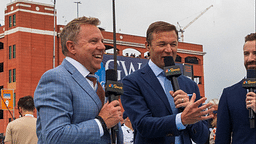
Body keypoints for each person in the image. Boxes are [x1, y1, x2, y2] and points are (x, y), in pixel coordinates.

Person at [121, 21, 214, 144]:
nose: (169, 50)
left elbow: (202, 138)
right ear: (148, 46)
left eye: (173, 44)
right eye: (162, 44)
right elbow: (143, 125)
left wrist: (190, 113)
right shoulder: (132, 82)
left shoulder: (189, 84)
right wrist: (181, 119)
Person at [34, 16, 123, 144]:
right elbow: (54, 136)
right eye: (94, 41)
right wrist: (101, 123)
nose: (102, 47)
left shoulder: (95, 82)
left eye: (102, 41)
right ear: (71, 47)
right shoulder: (56, 78)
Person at [215, 33, 256, 144]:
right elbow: (221, 139)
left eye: (255, 53)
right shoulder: (229, 94)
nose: (250, 59)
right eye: (246, 54)